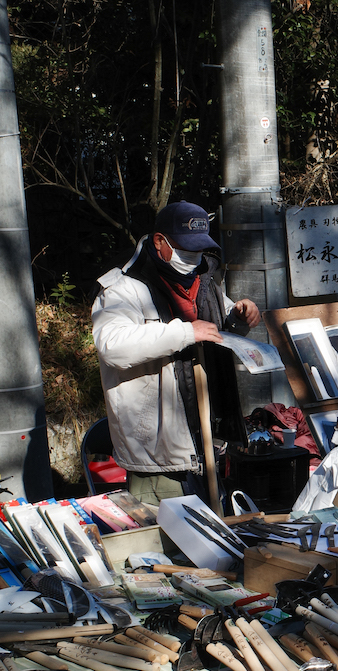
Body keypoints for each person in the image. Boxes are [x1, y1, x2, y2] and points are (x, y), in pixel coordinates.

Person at [92, 201, 261, 504]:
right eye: (186, 249)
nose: (193, 257)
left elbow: (218, 330)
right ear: (160, 241)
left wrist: (238, 318)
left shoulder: (203, 279)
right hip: (158, 453)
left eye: (199, 249)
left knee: (212, 530)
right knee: (165, 531)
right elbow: (112, 345)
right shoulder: (123, 288)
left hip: (208, 442)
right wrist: (184, 333)